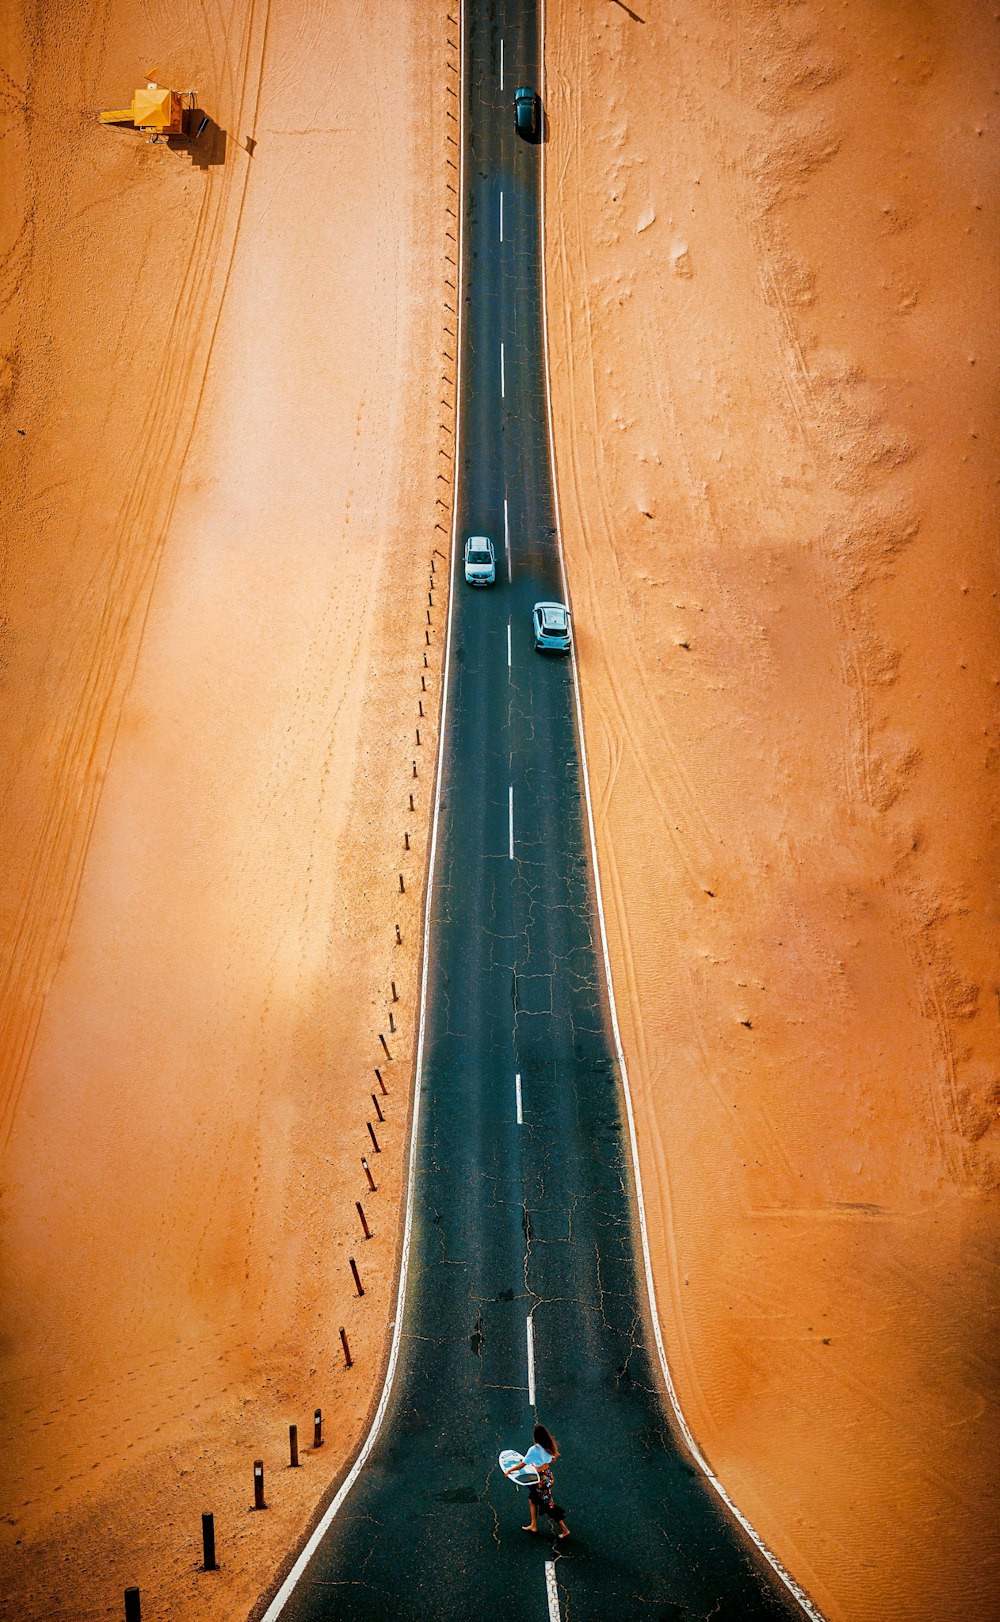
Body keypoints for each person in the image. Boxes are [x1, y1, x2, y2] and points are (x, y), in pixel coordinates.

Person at [505, 1423, 570, 1538]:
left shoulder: (534, 1450)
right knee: (532, 1499)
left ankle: (565, 1530)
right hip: (547, 1476)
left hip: (540, 1481)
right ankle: (533, 1525)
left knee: (548, 1506)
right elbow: (552, 1459)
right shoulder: (549, 1446)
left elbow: (522, 1464)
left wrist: (509, 1470)